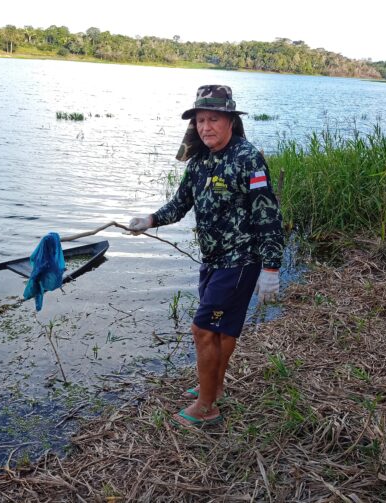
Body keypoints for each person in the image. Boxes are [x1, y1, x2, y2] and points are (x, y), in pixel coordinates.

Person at [128, 84, 284, 427]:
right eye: (200, 120)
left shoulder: (248, 158)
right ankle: (213, 387)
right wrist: (151, 220)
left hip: (241, 261)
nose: (205, 127)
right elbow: (181, 203)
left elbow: (267, 214)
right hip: (212, 260)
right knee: (223, 331)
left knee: (202, 329)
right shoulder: (199, 161)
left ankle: (207, 407)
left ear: (230, 120)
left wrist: (271, 267)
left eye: (213, 119)